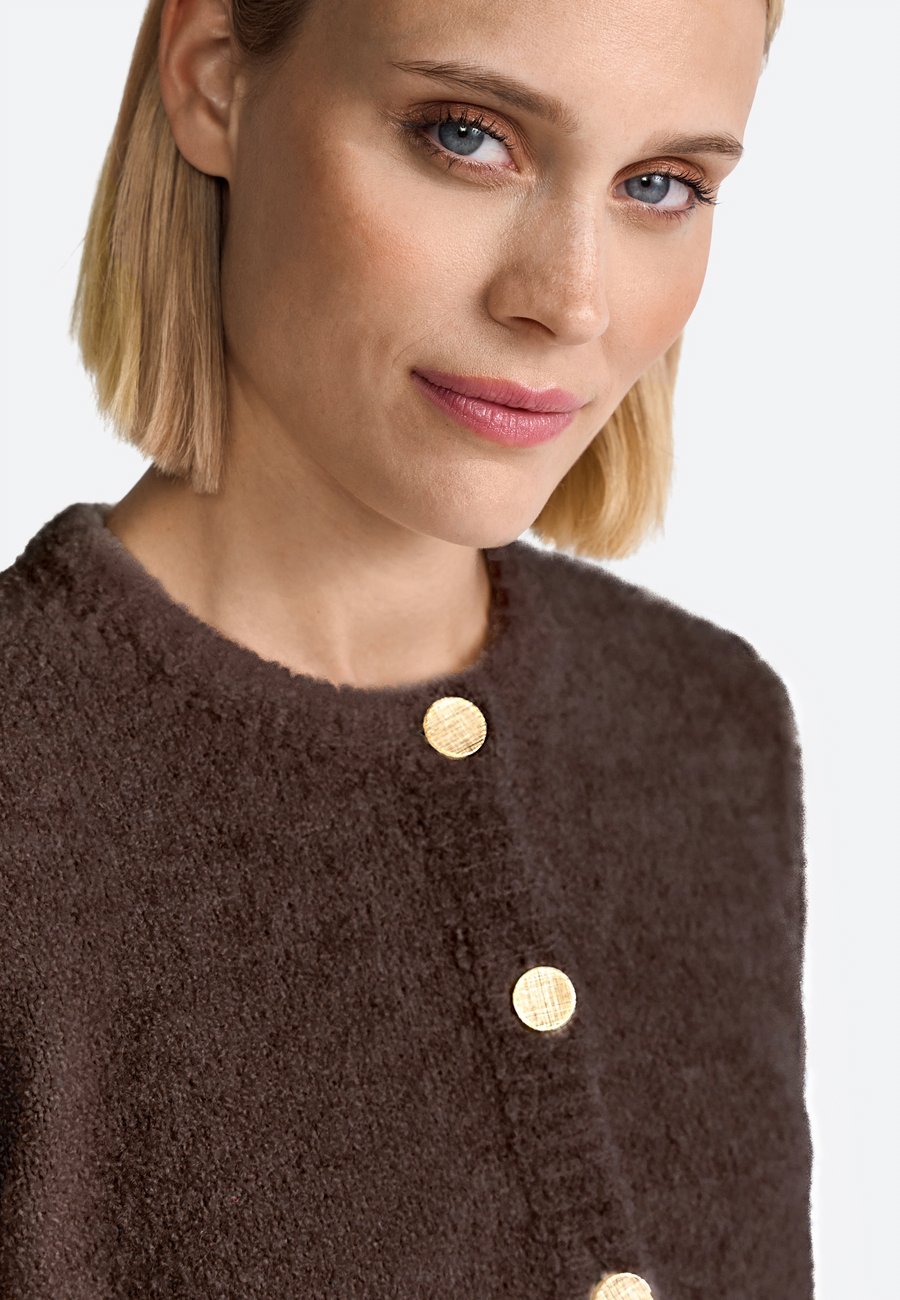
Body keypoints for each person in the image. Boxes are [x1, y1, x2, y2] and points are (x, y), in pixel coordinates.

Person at [0, 1, 814, 1297]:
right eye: (466, 135)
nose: (569, 302)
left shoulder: (706, 732)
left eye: (660, 184)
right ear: (211, 82)